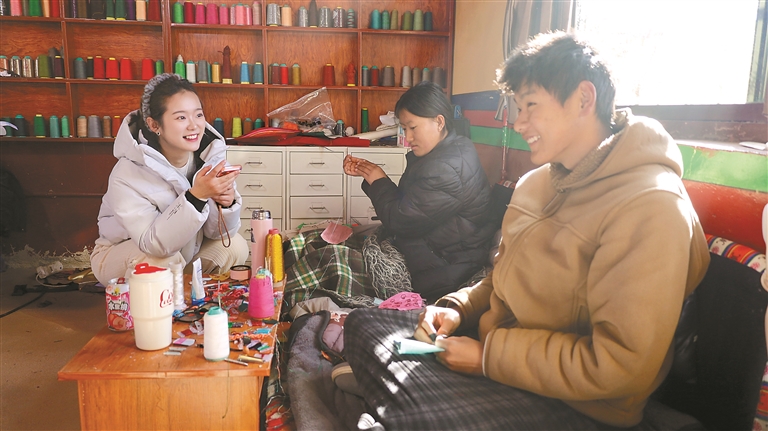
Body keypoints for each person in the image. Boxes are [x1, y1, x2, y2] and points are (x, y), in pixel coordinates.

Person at [343, 32, 711, 429]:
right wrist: (456, 308)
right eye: (519, 108)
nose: (519, 123)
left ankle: (396, 401)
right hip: (501, 355)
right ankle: (399, 399)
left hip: (575, 403)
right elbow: (504, 279)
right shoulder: (538, 183)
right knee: (364, 325)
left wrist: (488, 359)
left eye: (530, 106)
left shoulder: (652, 206)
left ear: (584, 99)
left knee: (420, 410)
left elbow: (620, 366)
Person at [343, 81, 496, 302]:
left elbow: (400, 220)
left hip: (446, 266)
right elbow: (410, 204)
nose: (408, 137)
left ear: (439, 122)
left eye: (413, 128)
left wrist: (377, 179)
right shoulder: (451, 149)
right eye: (404, 129)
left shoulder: (446, 168)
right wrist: (374, 177)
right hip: (437, 250)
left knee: (339, 265)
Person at [90, 73, 249, 286]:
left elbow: (216, 234)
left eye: (198, 115)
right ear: (154, 125)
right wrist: (197, 197)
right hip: (126, 253)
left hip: (182, 252)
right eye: (181, 118)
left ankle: (183, 293)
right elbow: (152, 245)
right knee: (159, 261)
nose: (194, 126)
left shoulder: (210, 159)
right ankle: (160, 299)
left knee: (235, 246)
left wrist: (225, 204)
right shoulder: (127, 173)